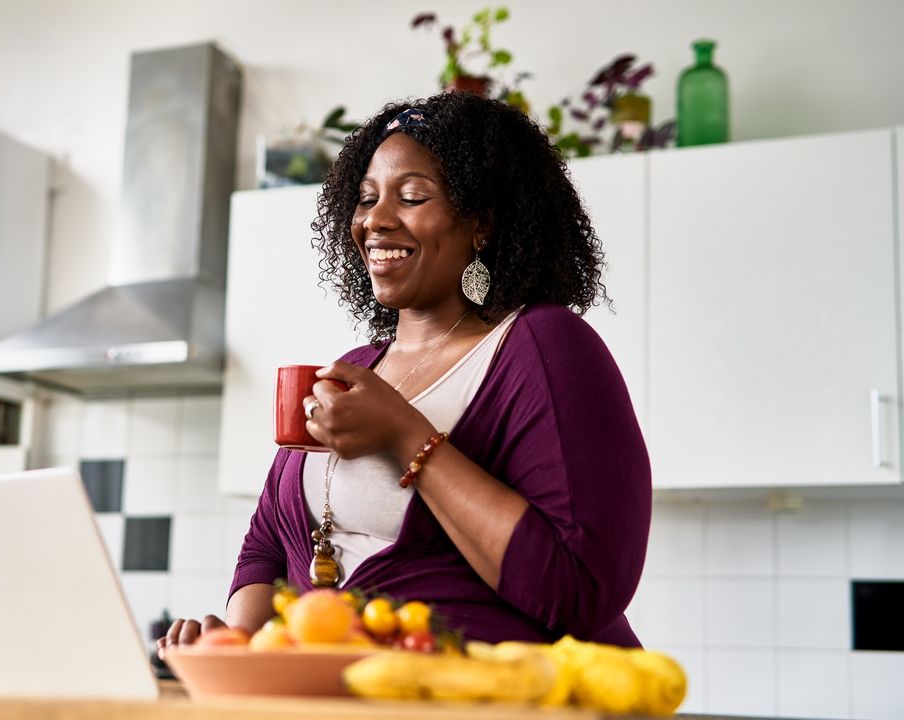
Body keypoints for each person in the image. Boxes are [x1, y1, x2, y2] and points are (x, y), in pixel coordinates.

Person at [158, 92, 651, 657]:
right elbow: (269, 544)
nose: (375, 221)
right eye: (366, 199)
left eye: (412, 197)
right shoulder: (358, 368)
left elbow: (580, 587)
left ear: (482, 222)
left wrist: (405, 435)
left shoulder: (543, 346)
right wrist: (239, 641)